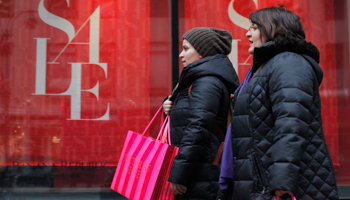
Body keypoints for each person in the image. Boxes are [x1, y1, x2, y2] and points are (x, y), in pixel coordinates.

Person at [220, 5, 339, 200]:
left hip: (278, 186)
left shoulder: (288, 62)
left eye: (254, 27)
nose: (247, 33)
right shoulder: (267, 66)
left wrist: (282, 181)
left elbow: (291, 124)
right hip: (261, 181)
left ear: (274, 29)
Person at [163, 27, 239, 200]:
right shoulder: (200, 79)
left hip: (201, 174)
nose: (181, 55)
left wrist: (179, 173)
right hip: (198, 171)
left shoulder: (207, 82)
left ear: (204, 52)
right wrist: (169, 106)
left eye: (186, 48)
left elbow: (197, 128)